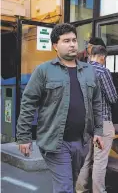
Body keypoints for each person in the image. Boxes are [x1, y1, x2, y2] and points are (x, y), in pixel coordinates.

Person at [16, 23, 104, 193]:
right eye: (66, 41)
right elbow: (28, 102)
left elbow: (96, 103)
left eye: (74, 40)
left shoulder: (88, 71)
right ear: (55, 46)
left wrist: (98, 131)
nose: (72, 44)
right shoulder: (44, 70)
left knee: (70, 183)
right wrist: (24, 136)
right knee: (65, 187)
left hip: (82, 142)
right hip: (55, 142)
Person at [76, 45, 118, 193]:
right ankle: (98, 191)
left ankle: (80, 189)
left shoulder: (80, 71)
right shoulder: (103, 71)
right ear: (102, 57)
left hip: (84, 122)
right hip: (103, 120)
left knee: (86, 159)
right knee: (100, 161)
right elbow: (113, 97)